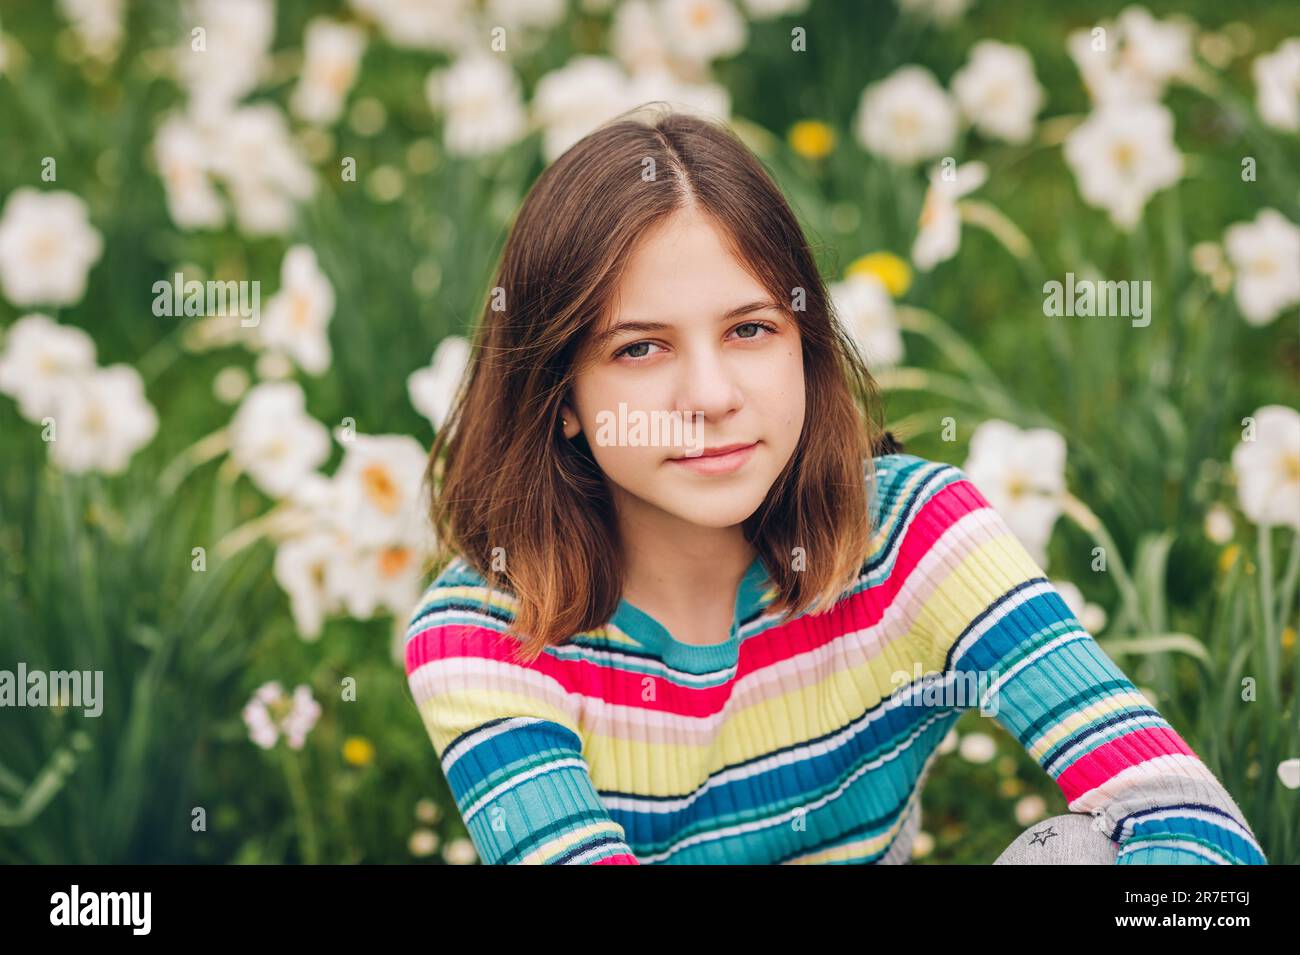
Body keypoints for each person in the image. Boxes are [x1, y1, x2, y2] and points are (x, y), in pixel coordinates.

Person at [403, 106, 1267, 865]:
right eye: (640, 347)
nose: (711, 397)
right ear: (561, 398)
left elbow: (1189, 820)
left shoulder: (914, 533)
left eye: (749, 329)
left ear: (804, 348)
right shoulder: (483, 638)